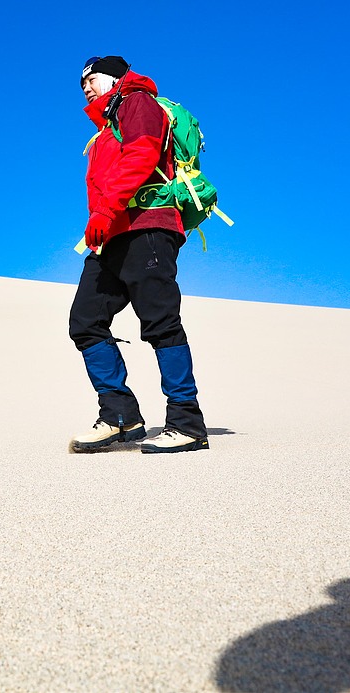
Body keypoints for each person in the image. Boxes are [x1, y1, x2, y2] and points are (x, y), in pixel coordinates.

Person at [68, 55, 209, 454]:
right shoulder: (106, 127)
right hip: (110, 235)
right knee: (85, 321)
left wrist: (105, 209)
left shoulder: (137, 103)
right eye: (83, 86)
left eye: (92, 80)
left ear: (114, 78)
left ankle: (186, 422)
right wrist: (103, 218)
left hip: (147, 226)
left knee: (160, 322)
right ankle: (119, 415)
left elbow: (142, 155)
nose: (87, 89)